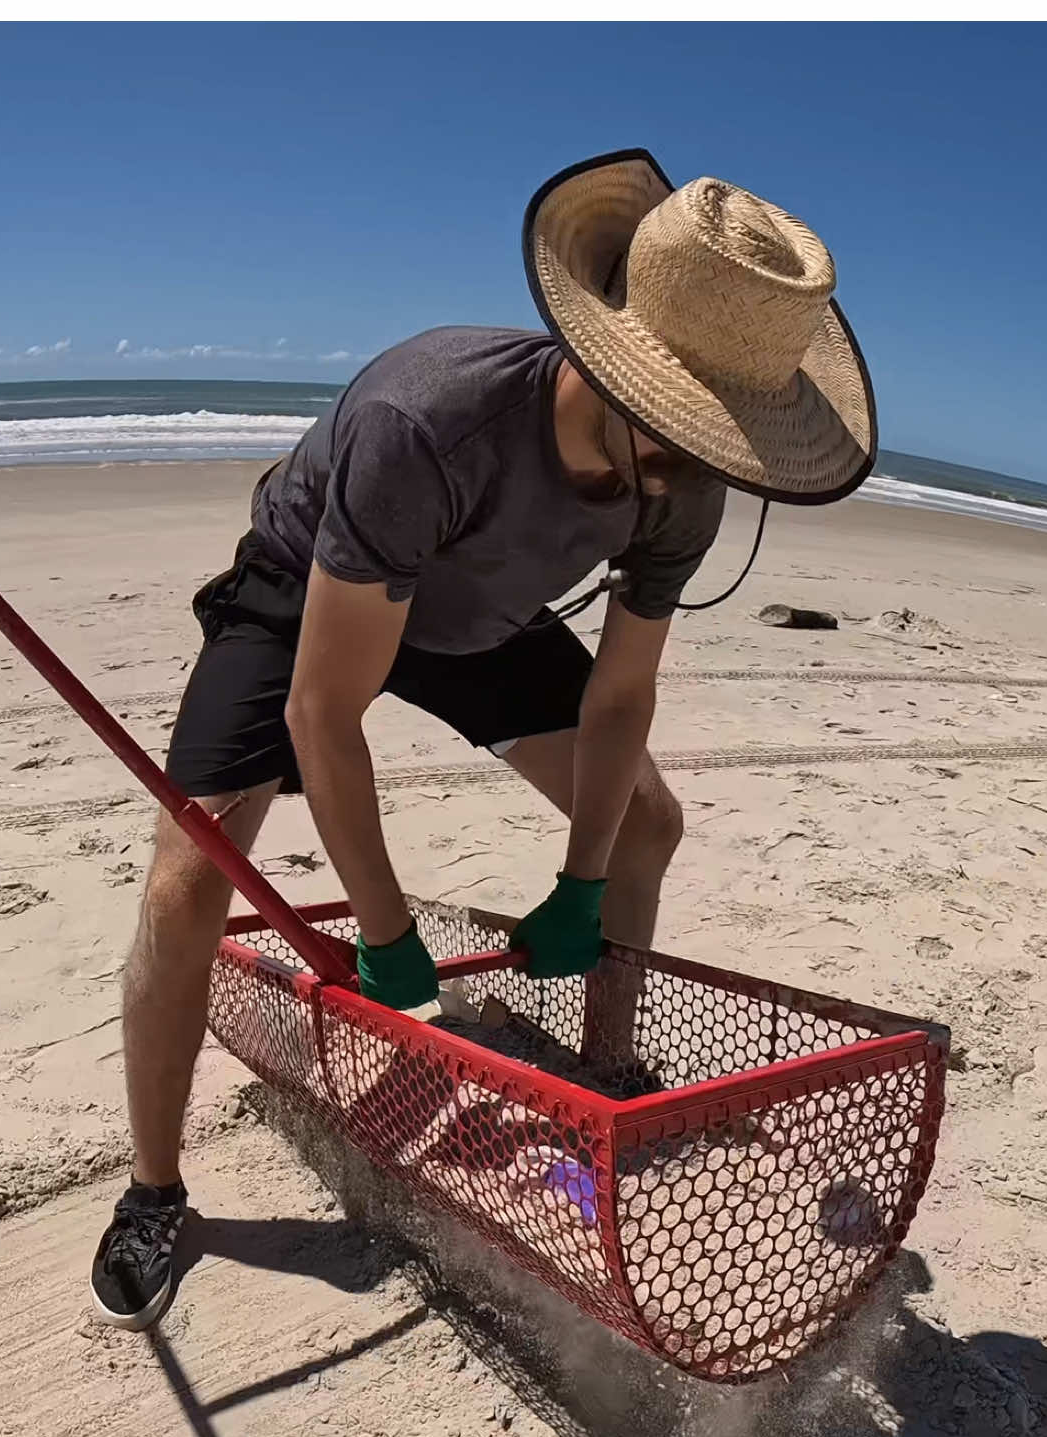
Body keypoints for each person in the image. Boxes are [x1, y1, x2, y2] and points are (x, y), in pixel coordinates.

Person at [90, 148, 877, 1329]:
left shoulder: (690, 486)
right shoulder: (431, 419)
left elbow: (620, 698)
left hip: (478, 621)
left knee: (648, 823)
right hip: (312, 590)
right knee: (187, 884)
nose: (689, 476)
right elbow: (325, 710)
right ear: (610, 369)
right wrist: (387, 932)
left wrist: (583, 879)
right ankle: (153, 1191)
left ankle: (606, 1076)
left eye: (721, 444)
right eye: (675, 434)